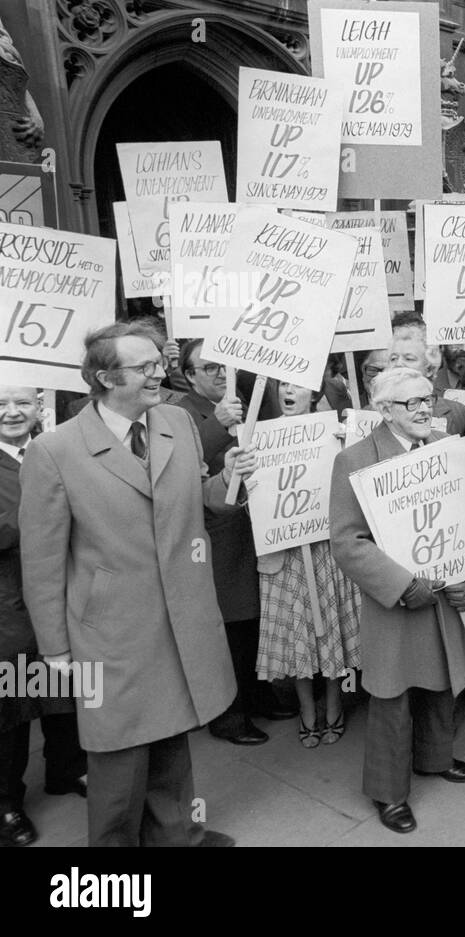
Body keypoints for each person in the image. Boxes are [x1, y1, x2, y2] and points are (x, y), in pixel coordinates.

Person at [20, 320, 255, 846]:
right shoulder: (55, 451)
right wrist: (55, 649)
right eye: (144, 367)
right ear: (104, 377)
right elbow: (41, 560)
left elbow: (194, 501)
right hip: (112, 631)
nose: (159, 374)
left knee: (172, 734)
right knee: (119, 754)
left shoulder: (174, 420)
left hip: (182, 614)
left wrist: (229, 483)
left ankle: (178, 837)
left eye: (159, 363)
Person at [329, 367, 465, 835]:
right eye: (411, 403)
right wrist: (402, 585)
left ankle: (435, 758)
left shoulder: (444, 448)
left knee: (440, 680)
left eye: (428, 400)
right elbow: (347, 541)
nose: (424, 410)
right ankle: (388, 792)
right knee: (392, 693)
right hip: (394, 600)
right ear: (383, 410)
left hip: (444, 590)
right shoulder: (354, 459)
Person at [176, 340, 293, 746]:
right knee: (227, 630)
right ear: (188, 375)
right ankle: (226, 714)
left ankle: (257, 695)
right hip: (216, 537)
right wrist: (215, 425)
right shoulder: (180, 411)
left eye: (226, 367)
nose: (222, 375)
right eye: (209, 369)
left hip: (254, 528)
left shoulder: (248, 400)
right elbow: (179, 464)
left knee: (253, 623)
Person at [0, 386, 86, 848]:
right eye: (0, 405)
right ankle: (6, 803)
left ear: (39, 408)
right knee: (11, 711)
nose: (12, 413)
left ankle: (67, 770)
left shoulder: (52, 450)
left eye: (21, 403)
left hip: (58, 599)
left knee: (62, 696)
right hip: (8, 609)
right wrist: (44, 517)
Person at [256, 381, 362, 749]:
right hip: (283, 554)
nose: (289, 390)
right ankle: (307, 712)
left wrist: (345, 442)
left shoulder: (330, 434)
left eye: (297, 386)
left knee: (328, 633)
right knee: (297, 637)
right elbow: (244, 497)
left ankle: (334, 706)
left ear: (313, 396)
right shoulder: (258, 438)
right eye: (283, 384)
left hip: (323, 549)